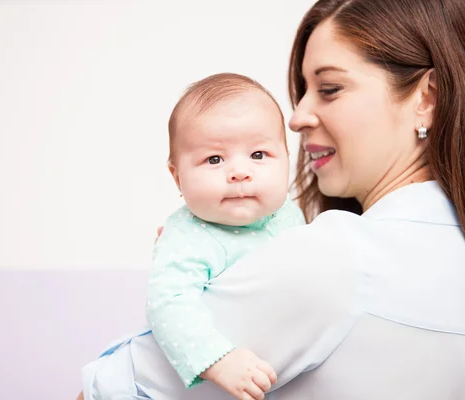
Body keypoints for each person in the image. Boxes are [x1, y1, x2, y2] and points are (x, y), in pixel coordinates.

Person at [77, 0, 465, 398]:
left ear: (427, 97)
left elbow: (106, 390)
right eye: (304, 89)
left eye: (329, 88)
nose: (296, 117)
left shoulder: (335, 261)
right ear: (176, 173)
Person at [80, 73, 306, 400]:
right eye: (214, 159)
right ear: (177, 177)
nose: (240, 172)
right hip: (145, 389)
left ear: (287, 159)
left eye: (259, 155)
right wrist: (219, 361)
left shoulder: (291, 217)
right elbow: (169, 305)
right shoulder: (188, 236)